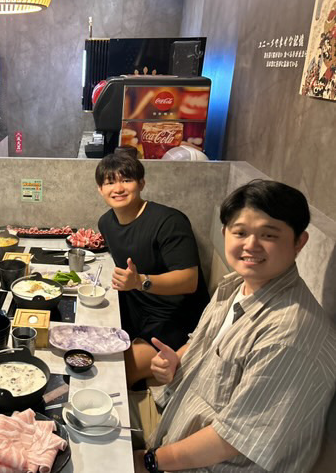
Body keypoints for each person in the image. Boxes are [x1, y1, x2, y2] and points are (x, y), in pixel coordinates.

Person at [134, 180, 336, 473]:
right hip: (173, 426)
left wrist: (149, 461)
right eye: (240, 232)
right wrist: (177, 359)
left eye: (269, 234)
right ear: (225, 233)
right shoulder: (235, 286)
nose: (251, 245)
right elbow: (205, 343)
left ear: (299, 242)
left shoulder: (289, 335)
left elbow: (232, 440)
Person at [95, 153, 209, 388]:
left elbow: (189, 281)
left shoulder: (169, 221)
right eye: (109, 182)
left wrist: (140, 281)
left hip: (175, 320)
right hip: (134, 310)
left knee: (114, 374)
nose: (118, 188)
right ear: (100, 189)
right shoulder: (106, 223)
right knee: (88, 352)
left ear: (141, 183)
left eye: (126, 180)